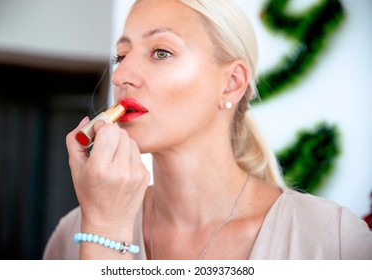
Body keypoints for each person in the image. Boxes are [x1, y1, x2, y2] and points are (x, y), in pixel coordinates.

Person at [43, 0, 372, 260]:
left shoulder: (335, 241)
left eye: (161, 52)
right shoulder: (74, 234)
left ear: (231, 84)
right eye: (121, 55)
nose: (121, 76)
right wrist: (104, 230)